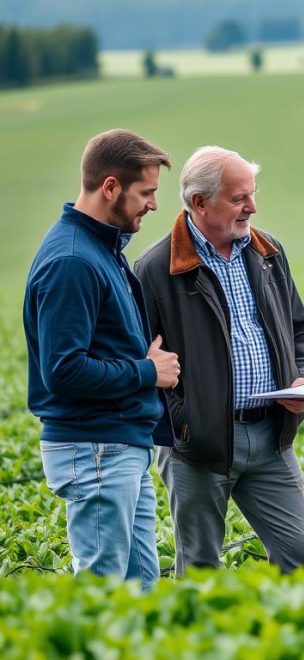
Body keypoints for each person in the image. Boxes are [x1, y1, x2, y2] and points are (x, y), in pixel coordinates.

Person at [134, 146, 304, 575]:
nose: (252, 207)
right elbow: (144, 362)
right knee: (200, 567)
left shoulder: (267, 251)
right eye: (239, 198)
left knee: (302, 558)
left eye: (252, 195)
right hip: (196, 446)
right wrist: (184, 424)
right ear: (199, 203)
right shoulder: (156, 269)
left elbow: (299, 328)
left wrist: (301, 378)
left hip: (271, 436)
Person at [23, 129, 179, 590]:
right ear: (110, 187)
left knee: (140, 590)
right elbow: (64, 371)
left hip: (118, 445)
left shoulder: (100, 251)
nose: (153, 204)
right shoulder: (72, 261)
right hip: (95, 448)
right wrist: (147, 371)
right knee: (104, 594)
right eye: (146, 192)